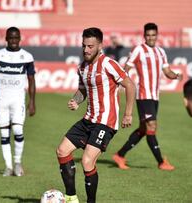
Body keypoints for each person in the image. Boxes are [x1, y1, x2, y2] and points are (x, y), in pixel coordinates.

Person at [56, 27, 135, 203]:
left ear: (100, 45)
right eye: (84, 45)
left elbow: (130, 85)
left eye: (90, 46)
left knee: (87, 161)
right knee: (62, 151)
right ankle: (71, 197)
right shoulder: (82, 67)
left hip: (106, 122)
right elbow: (82, 90)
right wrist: (76, 100)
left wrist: (128, 114)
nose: (86, 50)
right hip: (88, 120)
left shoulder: (109, 64)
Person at [112, 23, 181, 171]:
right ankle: (161, 162)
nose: (150, 37)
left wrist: (175, 75)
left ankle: (120, 155)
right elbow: (126, 69)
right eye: (148, 35)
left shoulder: (161, 52)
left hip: (155, 96)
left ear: (157, 36)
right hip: (143, 95)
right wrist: (119, 84)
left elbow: (167, 71)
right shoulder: (138, 50)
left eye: (153, 35)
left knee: (143, 129)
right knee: (151, 126)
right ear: (144, 36)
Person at [0, 27, 36, 177]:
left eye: (16, 38)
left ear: (20, 38)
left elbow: (32, 80)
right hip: (2, 99)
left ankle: (17, 163)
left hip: (18, 98)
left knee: (18, 131)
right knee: (4, 133)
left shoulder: (27, 57)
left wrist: (32, 101)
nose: (13, 41)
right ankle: (8, 167)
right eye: (11, 38)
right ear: (6, 38)